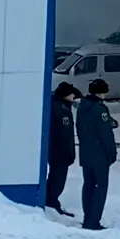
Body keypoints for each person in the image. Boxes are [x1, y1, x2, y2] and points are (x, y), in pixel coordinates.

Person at [75, 78, 118, 230]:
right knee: (100, 187)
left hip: (85, 152)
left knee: (88, 185)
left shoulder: (83, 107)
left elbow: (80, 128)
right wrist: (111, 152)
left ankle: (88, 217)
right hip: (99, 154)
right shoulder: (100, 109)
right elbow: (105, 134)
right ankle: (93, 221)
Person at [46, 82, 82, 215]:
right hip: (60, 153)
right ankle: (52, 202)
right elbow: (64, 135)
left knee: (54, 177)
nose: (74, 96)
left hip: (54, 151)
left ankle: (51, 201)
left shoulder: (56, 105)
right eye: (72, 94)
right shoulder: (62, 111)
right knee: (58, 179)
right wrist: (69, 154)